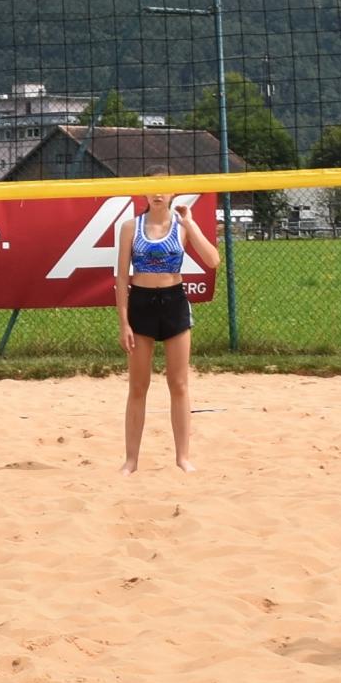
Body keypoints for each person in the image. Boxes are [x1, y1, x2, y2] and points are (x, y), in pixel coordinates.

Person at [114, 188, 224, 472]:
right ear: (144, 193)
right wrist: (124, 322)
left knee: (179, 384)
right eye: (152, 188)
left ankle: (182, 458)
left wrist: (191, 224)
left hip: (174, 302)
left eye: (163, 188)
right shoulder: (130, 227)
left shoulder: (182, 225)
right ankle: (131, 460)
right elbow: (122, 277)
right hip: (141, 303)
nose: (157, 194)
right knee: (138, 386)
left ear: (173, 192)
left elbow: (213, 260)